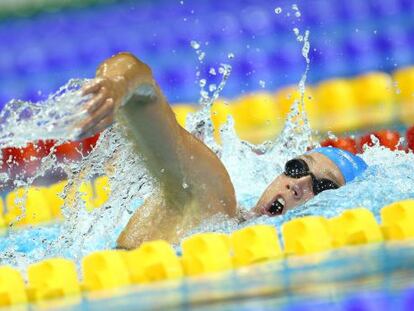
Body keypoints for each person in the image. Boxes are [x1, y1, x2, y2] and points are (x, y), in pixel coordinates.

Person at [76, 52, 367, 250]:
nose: (299, 184)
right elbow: (137, 79)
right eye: (297, 167)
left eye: (324, 187)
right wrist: (116, 84)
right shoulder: (212, 199)